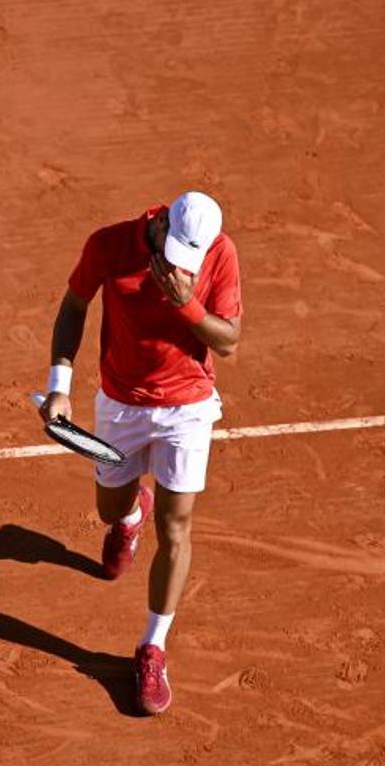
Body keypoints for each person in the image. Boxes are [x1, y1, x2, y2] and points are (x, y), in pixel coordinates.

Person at [39, 190, 242, 715]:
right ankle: (129, 513)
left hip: (188, 410)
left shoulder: (219, 253)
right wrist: (60, 385)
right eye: (174, 249)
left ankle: (153, 647)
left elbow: (228, 340)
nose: (180, 264)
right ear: (159, 225)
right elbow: (74, 306)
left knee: (177, 529)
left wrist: (186, 302)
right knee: (109, 507)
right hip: (121, 405)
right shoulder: (110, 245)